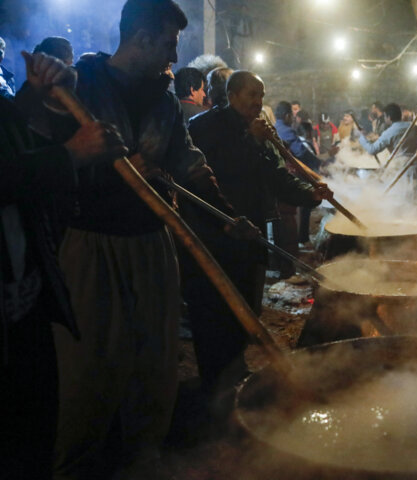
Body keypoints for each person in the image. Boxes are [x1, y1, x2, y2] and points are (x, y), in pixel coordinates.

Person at [16, 1, 245, 478]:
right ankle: (77, 463)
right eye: (169, 42)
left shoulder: (164, 100)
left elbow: (188, 160)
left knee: (155, 363)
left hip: (152, 241)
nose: (173, 56)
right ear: (141, 37)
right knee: (88, 370)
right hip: (90, 244)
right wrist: (102, 168)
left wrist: (226, 213)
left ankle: (144, 458)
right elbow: (40, 160)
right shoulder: (79, 85)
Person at [1, 53, 127, 480]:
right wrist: (70, 155)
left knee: (33, 434)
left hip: (25, 301)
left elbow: (13, 143)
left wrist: (34, 99)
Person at [186, 72, 331, 393]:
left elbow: (275, 176)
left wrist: (310, 193)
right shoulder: (203, 126)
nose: (258, 102)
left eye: (261, 96)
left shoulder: (256, 131)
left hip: (249, 232)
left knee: (247, 306)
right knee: (214, 310)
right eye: (251, 95)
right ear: (232, 95)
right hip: (215, 231)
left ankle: (234, 369)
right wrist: (251, 140)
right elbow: (211, 171)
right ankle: (215, 382)